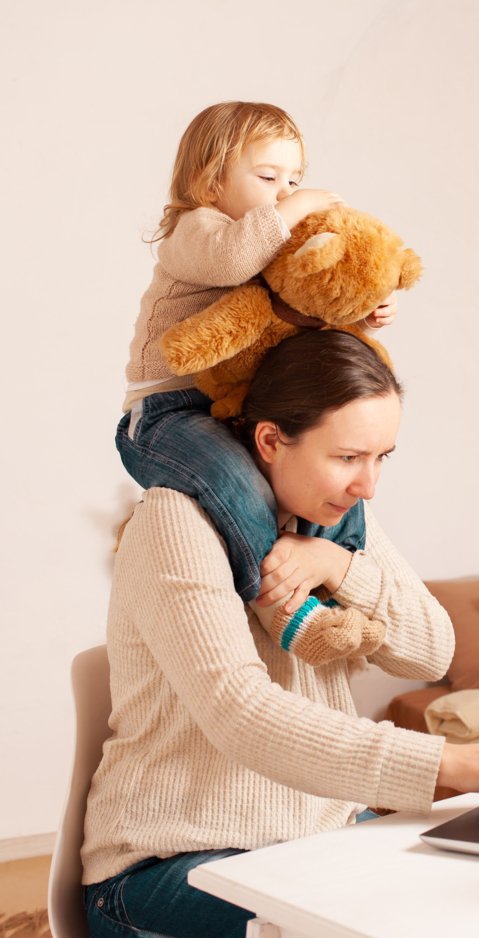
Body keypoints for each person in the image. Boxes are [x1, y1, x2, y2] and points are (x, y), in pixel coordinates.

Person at [84, 331, 479, 938]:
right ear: (269, 440)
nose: (368, 483)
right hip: (164, 871)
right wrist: (445, 764)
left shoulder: (338, 521)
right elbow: (242, 714)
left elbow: (431, 649)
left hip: (315, 848)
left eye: (382, 457)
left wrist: (338, 564)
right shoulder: (176, 522)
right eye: (348, 457)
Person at [116, 100, 396, 666]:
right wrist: (296, 208)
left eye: (294, 179)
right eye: (268, 178)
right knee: (235, 479)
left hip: (229, 405)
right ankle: (282, 608)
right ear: (209, 180)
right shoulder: (198, 230)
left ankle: (334, 584)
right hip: (166, 414)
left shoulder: (266, 238)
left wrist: (360, 309)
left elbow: (295, 302)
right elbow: (231, 263)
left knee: (342, 487)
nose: (283, 191)